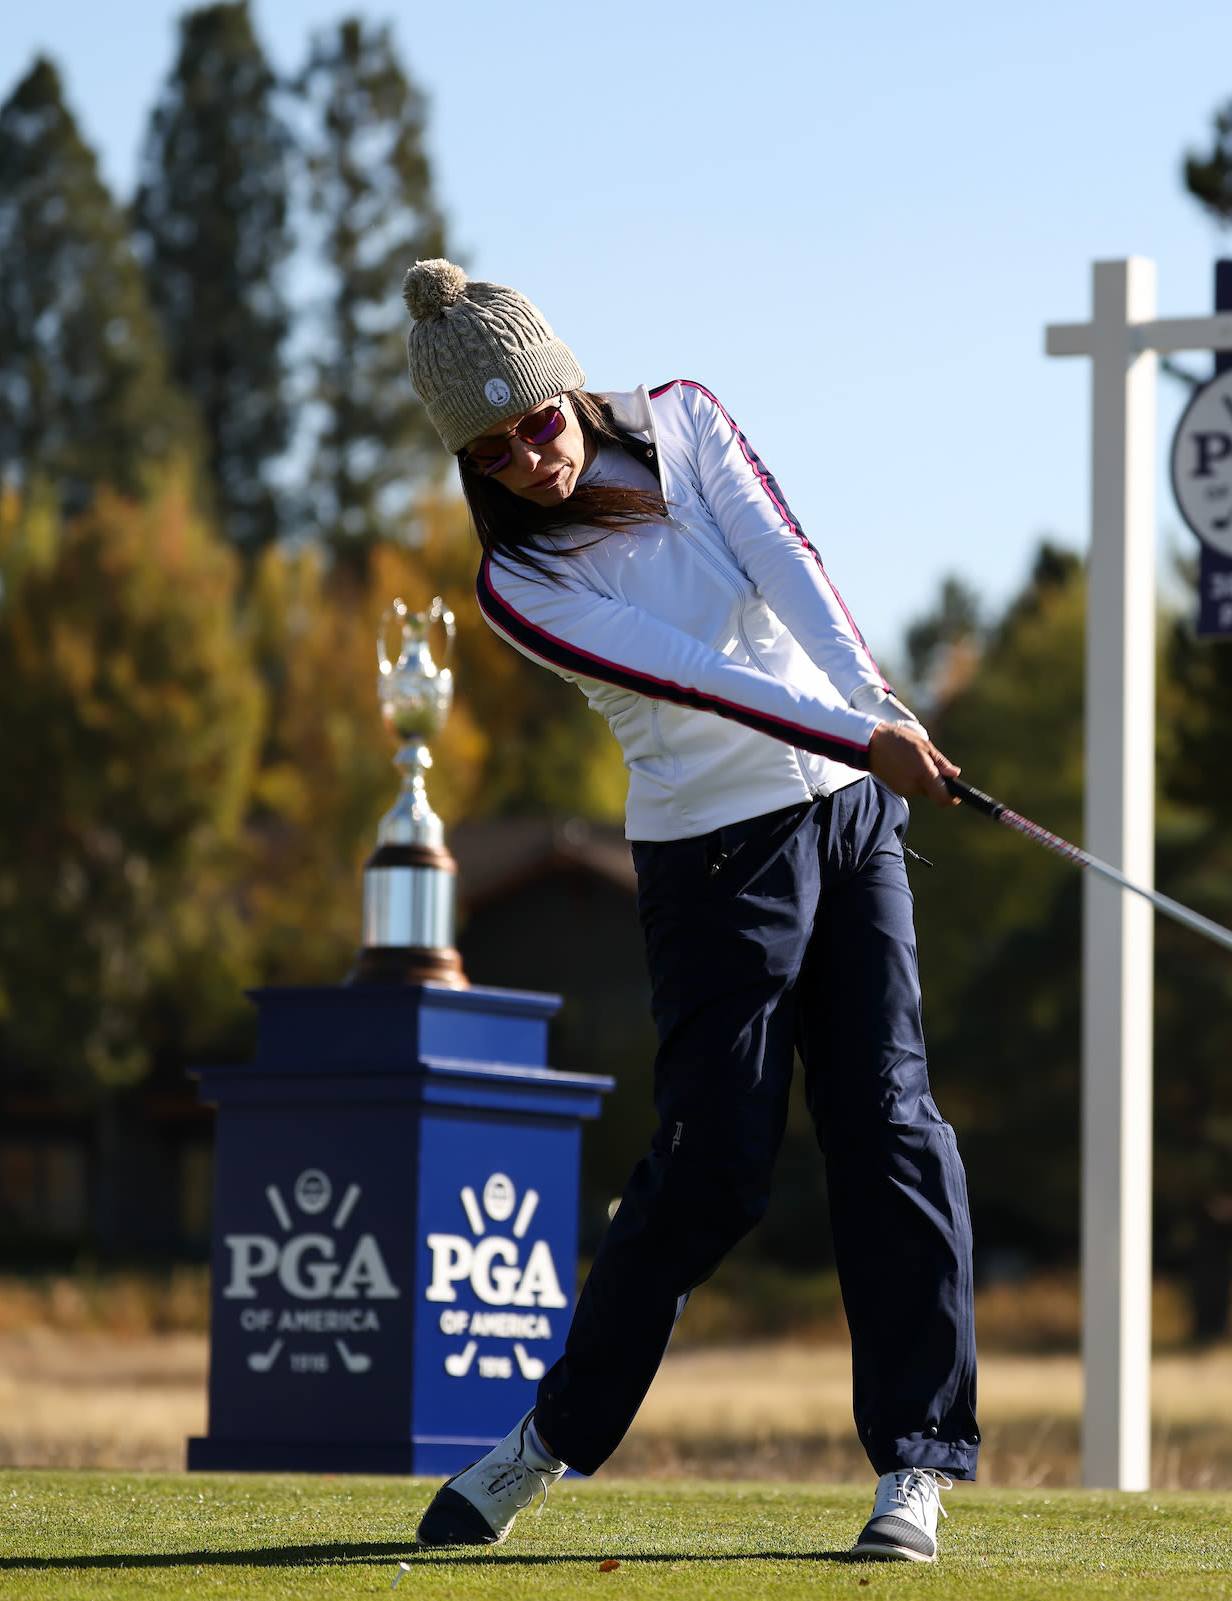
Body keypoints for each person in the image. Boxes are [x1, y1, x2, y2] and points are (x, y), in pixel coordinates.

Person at [398, 259, 977, 1562]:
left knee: (891, 1120)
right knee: (714, 1164)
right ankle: (547, 1440)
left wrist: (877, 710)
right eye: (489, 453)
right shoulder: (520, 589)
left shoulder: (687, 420)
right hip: (717, 863)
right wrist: (856, 731)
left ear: (570, 390)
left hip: (848, 815)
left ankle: (915, 1466)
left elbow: (791, 572)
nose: (528, 462)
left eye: (536, 424)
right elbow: (698, 677)